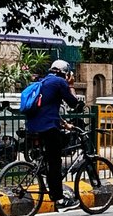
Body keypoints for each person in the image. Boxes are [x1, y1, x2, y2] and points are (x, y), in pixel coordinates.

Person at [25, 59, 84, 206]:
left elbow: (48, 110)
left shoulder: (43, 82)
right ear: (65, 73)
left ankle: (46, 175)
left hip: (33, 127)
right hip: (48, 129)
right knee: (55, 162)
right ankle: (59, 199)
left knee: (50, 160)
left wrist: (64, 123)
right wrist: (70, 85)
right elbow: (74, 103)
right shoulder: (59, 82)